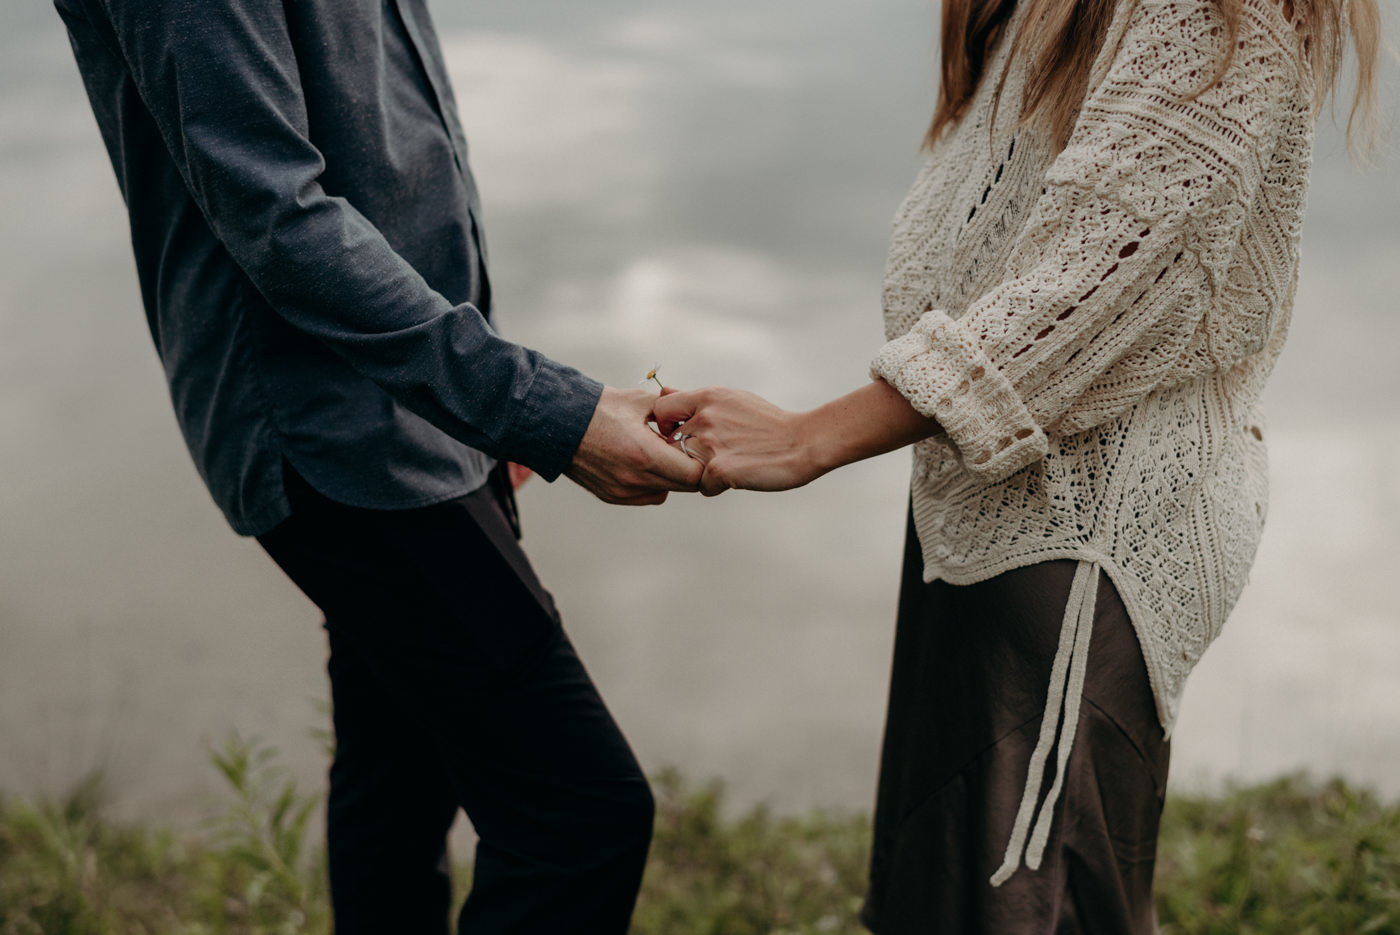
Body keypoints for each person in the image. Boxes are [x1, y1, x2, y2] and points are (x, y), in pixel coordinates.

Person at [654, 0, 1382, 927]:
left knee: (1035, 906)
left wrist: (810, 436)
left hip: (1084, 551)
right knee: (941, 893)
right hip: (983, 507)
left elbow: (1102, 281)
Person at [53, 0, 702, 931]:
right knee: (582, 815)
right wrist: (529, 407)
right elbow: (278, 216)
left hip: (418, 405)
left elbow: (393, 152)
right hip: (331, 431)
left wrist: (477, 408)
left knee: (398, 775)